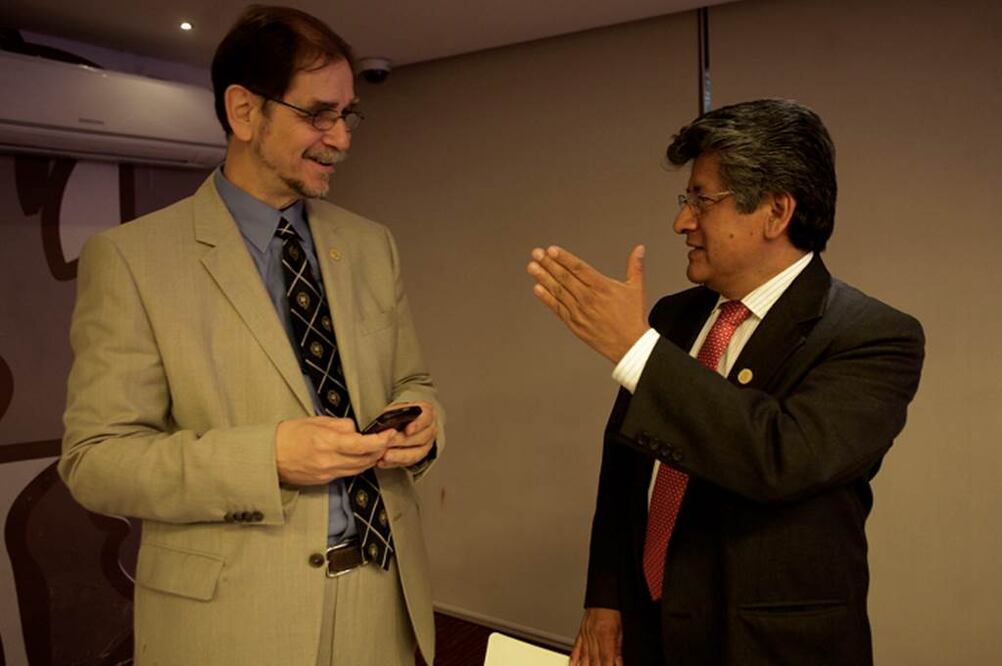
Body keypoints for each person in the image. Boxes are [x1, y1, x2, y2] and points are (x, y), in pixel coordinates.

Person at [60, 6, 442, 665]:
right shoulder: (130, 260)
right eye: (318, 114)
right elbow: (96, 461)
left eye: (347, 115)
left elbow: (412, 381)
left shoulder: (371, 244)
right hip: (235, 625)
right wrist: (265, 459)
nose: (342, 138)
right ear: (243, 111)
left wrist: (428, 421)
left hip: (384, 605)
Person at [527, 99, 923, 665]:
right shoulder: (673, 316)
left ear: (776, 211)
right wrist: (606, 601)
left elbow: (778, 457)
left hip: (769, 647)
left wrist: (637, 351)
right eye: (685, 199)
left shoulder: (875, 336)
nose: (682, 221)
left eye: (701, 200)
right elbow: (624, 472)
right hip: (650, 631)